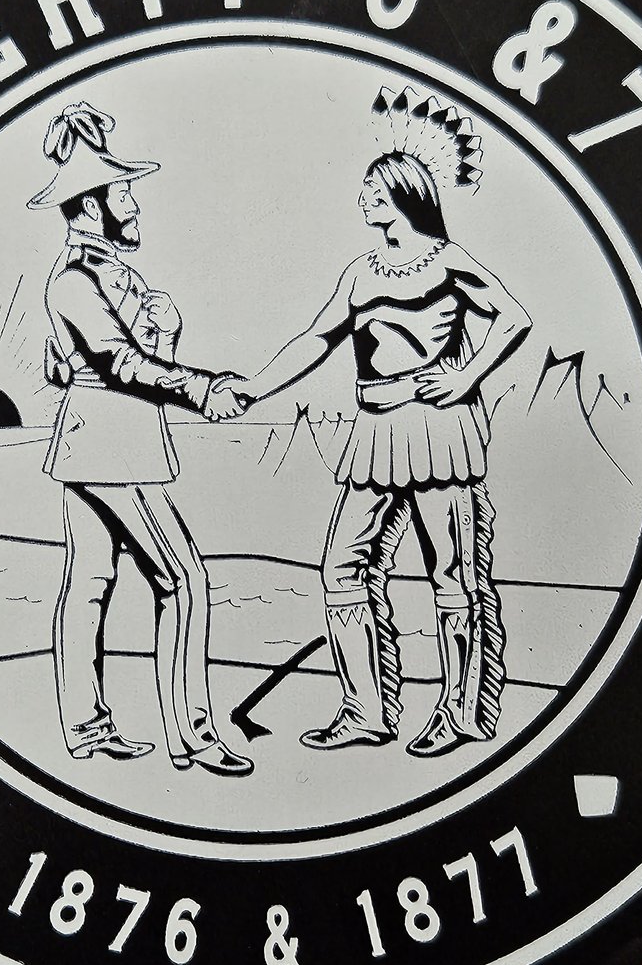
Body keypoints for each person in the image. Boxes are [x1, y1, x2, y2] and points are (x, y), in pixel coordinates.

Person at [225, 88, 530, 757]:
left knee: (453, 575)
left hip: (438, 430)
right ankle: (365, 709)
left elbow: (514, 319)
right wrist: (253, 388)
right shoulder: (361, 272)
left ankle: (459, 712)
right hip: (375, 431)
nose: (363, 198)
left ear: (402, 195)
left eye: (373, 189)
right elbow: (317, 339)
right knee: (342, 566)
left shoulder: (448, 260)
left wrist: (465, 378)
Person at [32, 101, 252, 777]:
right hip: (112, 445)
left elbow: (94, 362)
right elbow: (117, 364)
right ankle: (194, 736)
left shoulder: (106, 275)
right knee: (182, 580)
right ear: (89, 206)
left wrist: (164, 335)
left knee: (89, 581)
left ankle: (87, 728)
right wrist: (202, 387)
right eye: (121, 194)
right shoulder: (74, 281)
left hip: (103, 441)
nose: (133, 206)